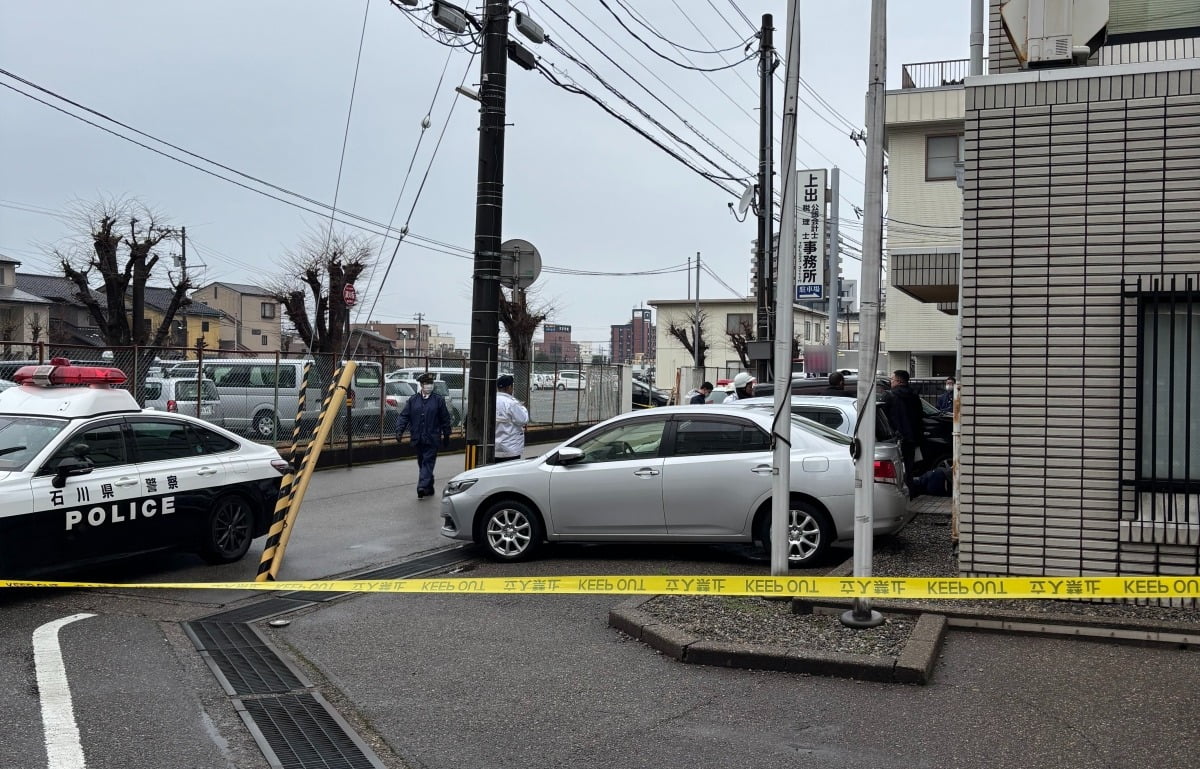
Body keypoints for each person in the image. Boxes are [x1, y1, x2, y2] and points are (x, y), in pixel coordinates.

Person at [395, 372, 452, 499]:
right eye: (426, 383)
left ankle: (421, 486)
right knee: (422, 462)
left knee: (428, 461)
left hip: (432, 438)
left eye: (430, 383)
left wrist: (447, 434)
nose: (429, 386)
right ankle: (429, 486)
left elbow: (445, 418)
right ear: (421, 385)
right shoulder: (413, 400)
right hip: (418, 438)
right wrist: (399, 431)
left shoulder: (438, 400)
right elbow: (404, 416)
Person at [882, 369, 925, 484]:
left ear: (899, 381)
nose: (891, 382)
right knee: (909, 468)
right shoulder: (915, 397)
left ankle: (899, 492)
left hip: (894, 438)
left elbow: (883, 417)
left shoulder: (889, 396)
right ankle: (909, 491)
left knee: (895, 469)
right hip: (911, 438)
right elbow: (920, 416)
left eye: (892, 379)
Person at [494, 374, 529, 462]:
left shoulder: (491, 400)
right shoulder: (511, 403)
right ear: (510, 387)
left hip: (494, 449)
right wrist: (522, 407)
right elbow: (523, 419)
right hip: (510, 449)